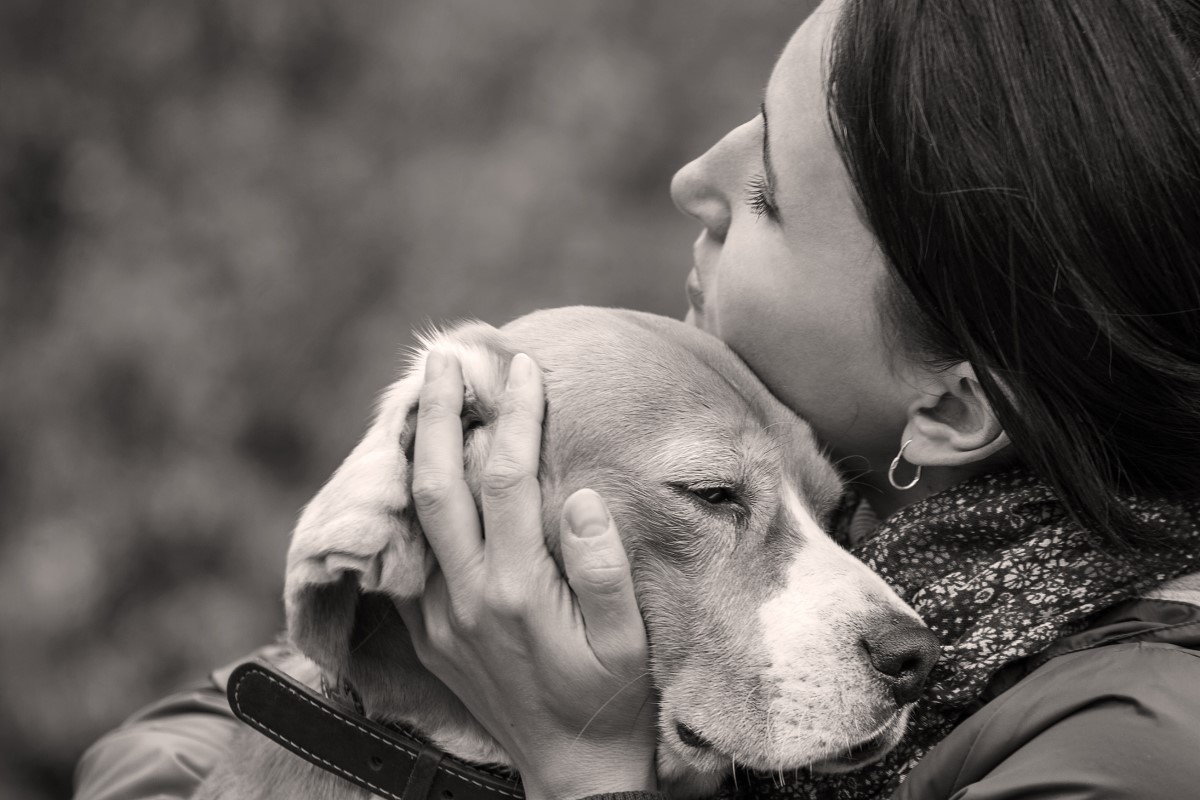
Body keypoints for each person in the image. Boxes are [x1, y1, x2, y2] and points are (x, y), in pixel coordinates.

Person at [74, 1, 1200, 798]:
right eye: (719, 494)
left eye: (769, 194)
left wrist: (586, 765)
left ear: (951, 408)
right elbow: (170, 746)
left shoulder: (1135, 743)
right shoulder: (849, 512)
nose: (692, 180)